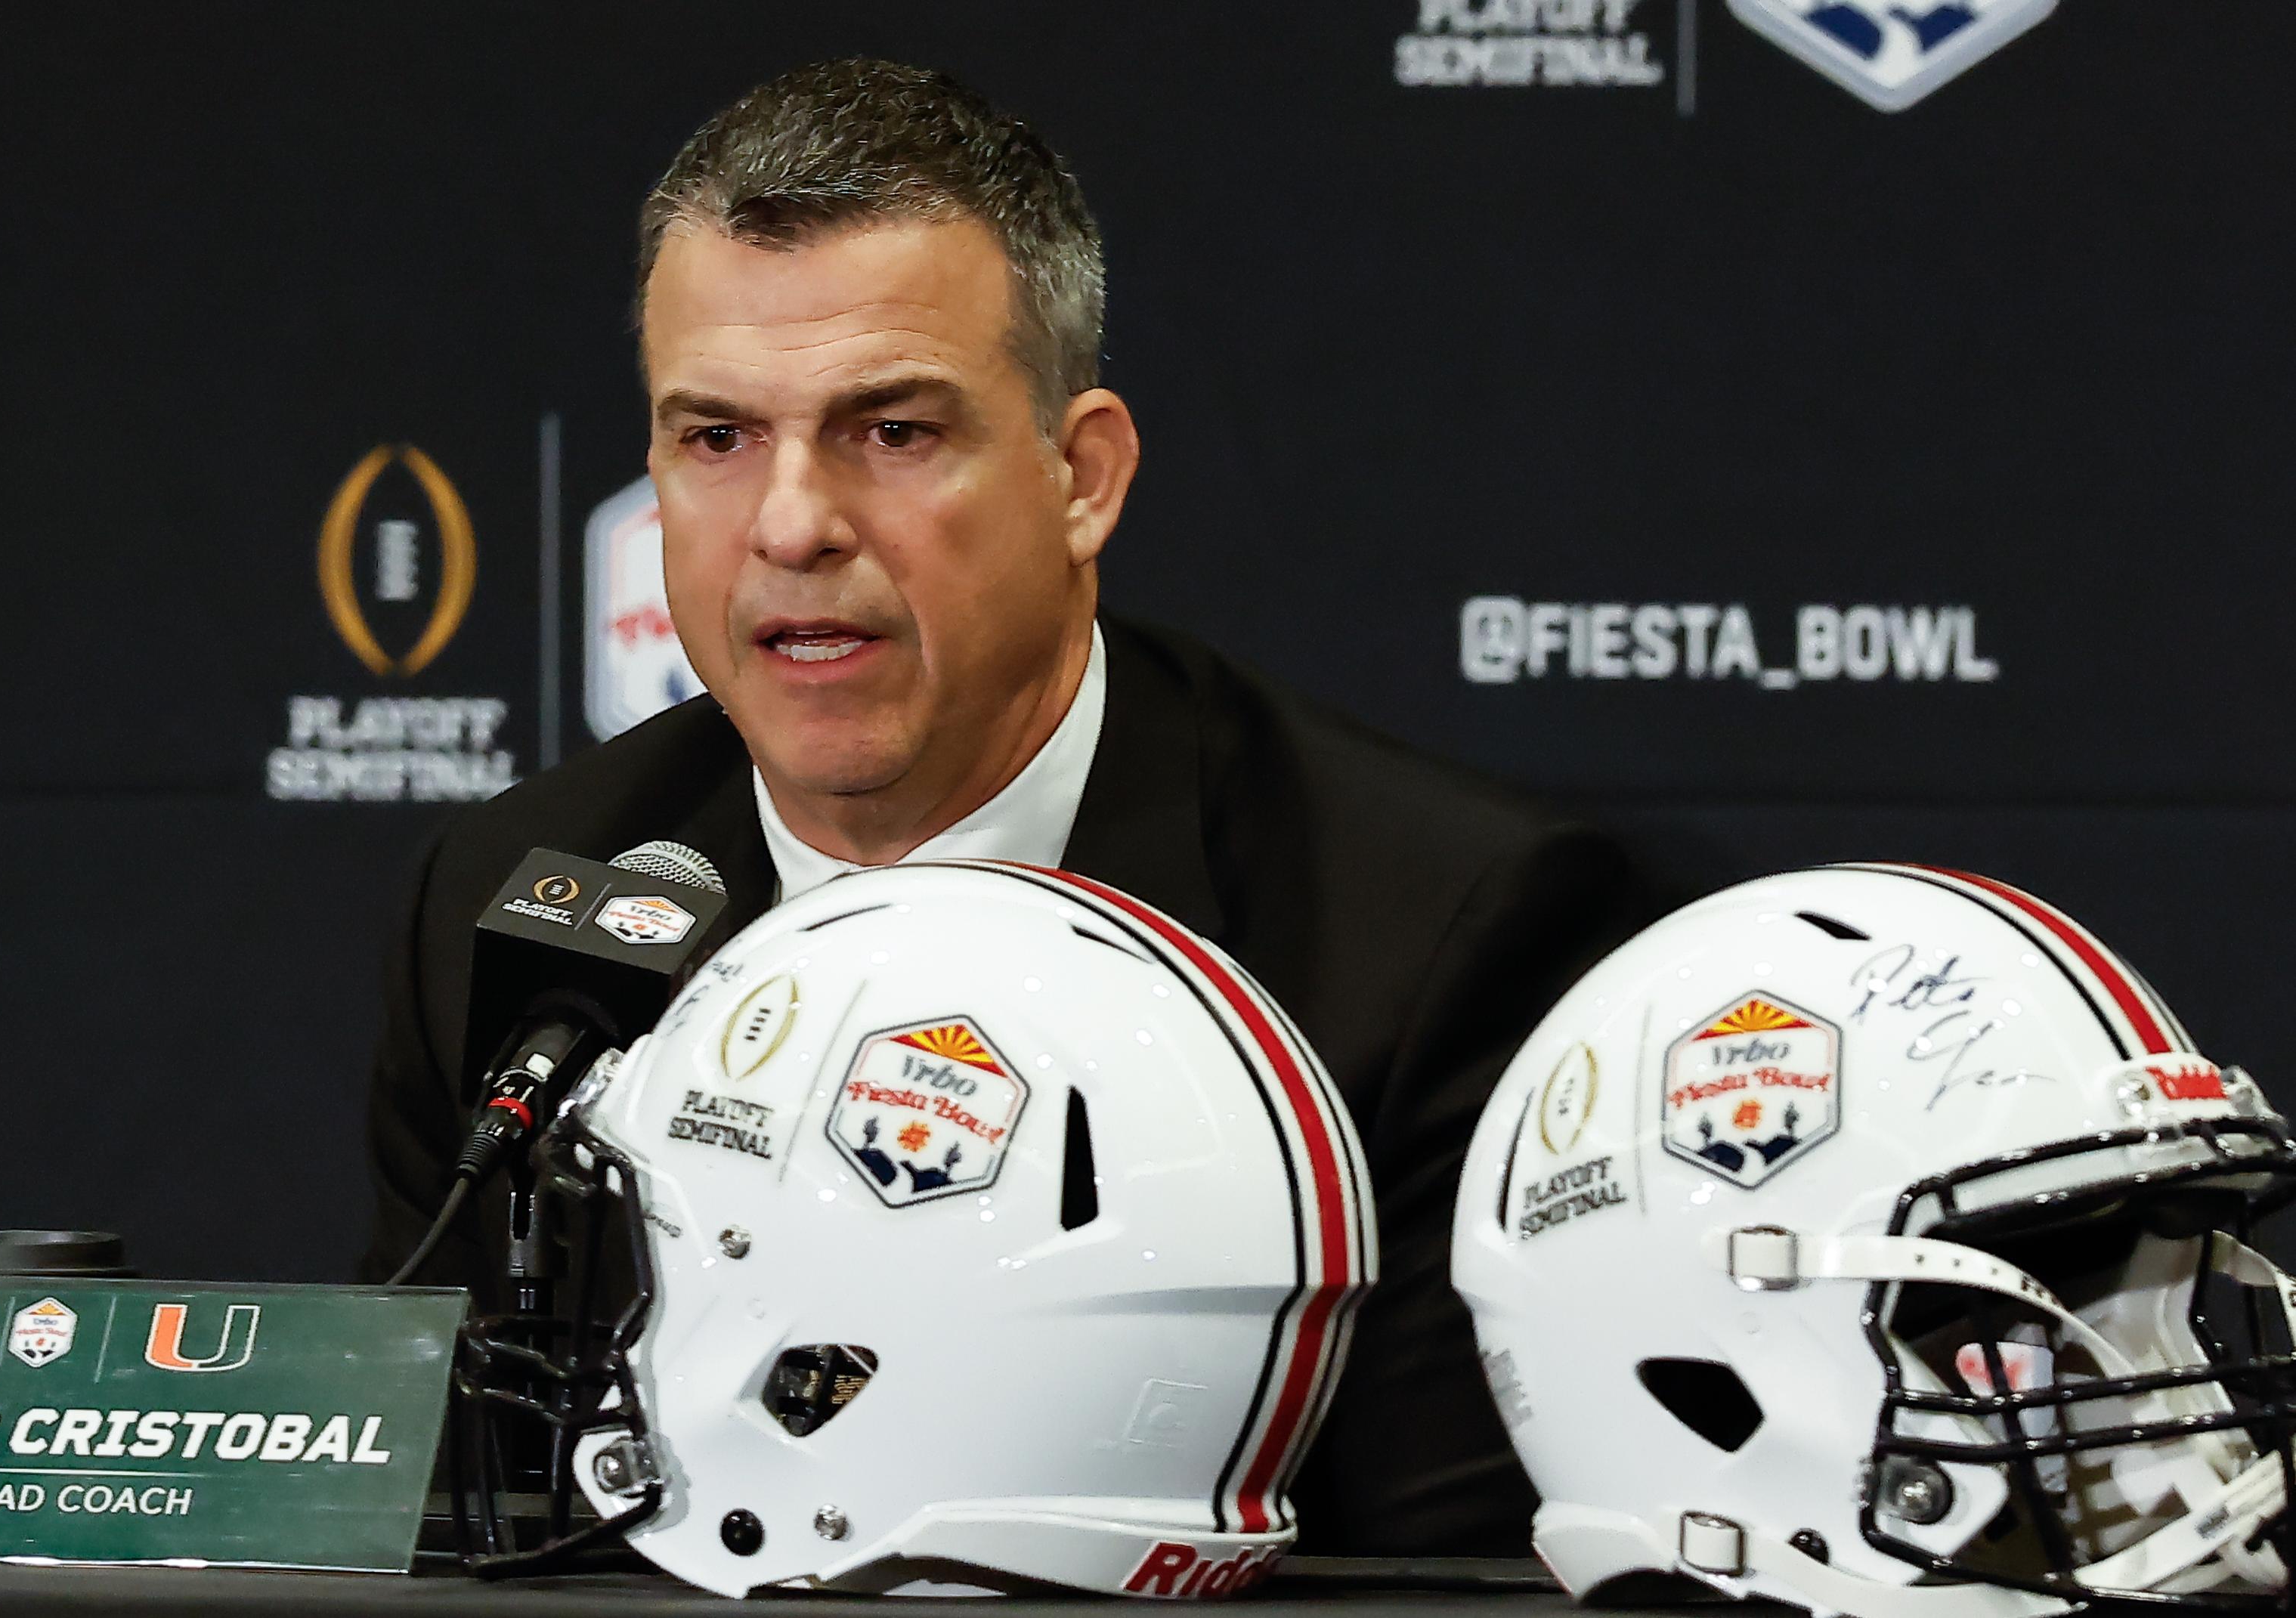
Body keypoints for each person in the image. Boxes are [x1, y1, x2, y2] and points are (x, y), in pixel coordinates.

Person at [363, 57, 1640, 1557]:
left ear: (1082, 475)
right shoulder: (512, 892)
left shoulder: (1434, 937)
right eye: (716, 440)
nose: (790, 525)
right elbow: (456, 1517)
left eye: (892, 433)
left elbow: (1433, 1586)